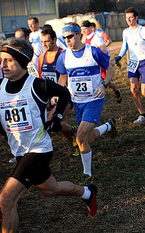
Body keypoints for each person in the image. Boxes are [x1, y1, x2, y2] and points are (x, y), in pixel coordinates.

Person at [0, 38, 98, 233]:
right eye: (1, 60)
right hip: (20, 151)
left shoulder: (37, 85)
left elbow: (64, 94)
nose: (3, 65)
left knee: (7, 199)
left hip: (39, 150)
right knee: (50, 189)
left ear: (23, 60)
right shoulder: (0, 87)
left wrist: (58, 117)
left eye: (9, 60)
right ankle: (88, 193)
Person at [56, 23, 117, 185]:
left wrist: (104, 85)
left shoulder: (93, 51)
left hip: (94, 100)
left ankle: (87, 174)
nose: (68, 40)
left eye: (70, 36)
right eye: (65, 38)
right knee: (88, 139)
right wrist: (57, 94)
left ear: (79, 35)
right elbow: (63, 78)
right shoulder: (64, 56)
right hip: (77, 101)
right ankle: (109, 126)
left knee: (80, 136)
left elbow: (110, 69)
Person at [115, 7, 145, 124]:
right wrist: (119, 56)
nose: (129, 20)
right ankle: (142, 115)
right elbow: (124, 46)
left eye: (131, 17)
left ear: (136, 18)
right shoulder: (125, 32)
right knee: (133, 89)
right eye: (127, 18)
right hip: (133, 63)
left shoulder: (143, 30)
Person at [38, 29, 78, 150]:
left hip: (64, 96)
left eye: (47, 41)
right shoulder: (41, 58)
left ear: (55, 40)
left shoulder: (64, 54)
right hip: (49, 98)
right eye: (42, 42)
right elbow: (41, 79)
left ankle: (75, 134)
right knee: (60, 124)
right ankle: (77, 143)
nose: (44, 44)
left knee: (51, 121)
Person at [81, 20, 122, 104]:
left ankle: (116, 90)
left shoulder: (96, 37)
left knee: (105, 80)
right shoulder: (85, 38)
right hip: (91, 64)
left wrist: (101, 61)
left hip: (99, 64)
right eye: (82, 29)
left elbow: (104, 50)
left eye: (85, 29)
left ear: (90, 28)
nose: (83, 31)